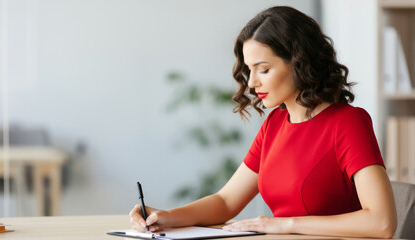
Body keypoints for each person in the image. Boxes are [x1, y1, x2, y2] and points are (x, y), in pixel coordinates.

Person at [129, 6, 397, 238]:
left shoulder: (348, 123)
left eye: (264, 69)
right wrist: (165, 217)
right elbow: (225, 201)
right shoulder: (276, 123)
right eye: (249, 70)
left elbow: (382, 222)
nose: (252, 83)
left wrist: (284, 225)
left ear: (299, 62)